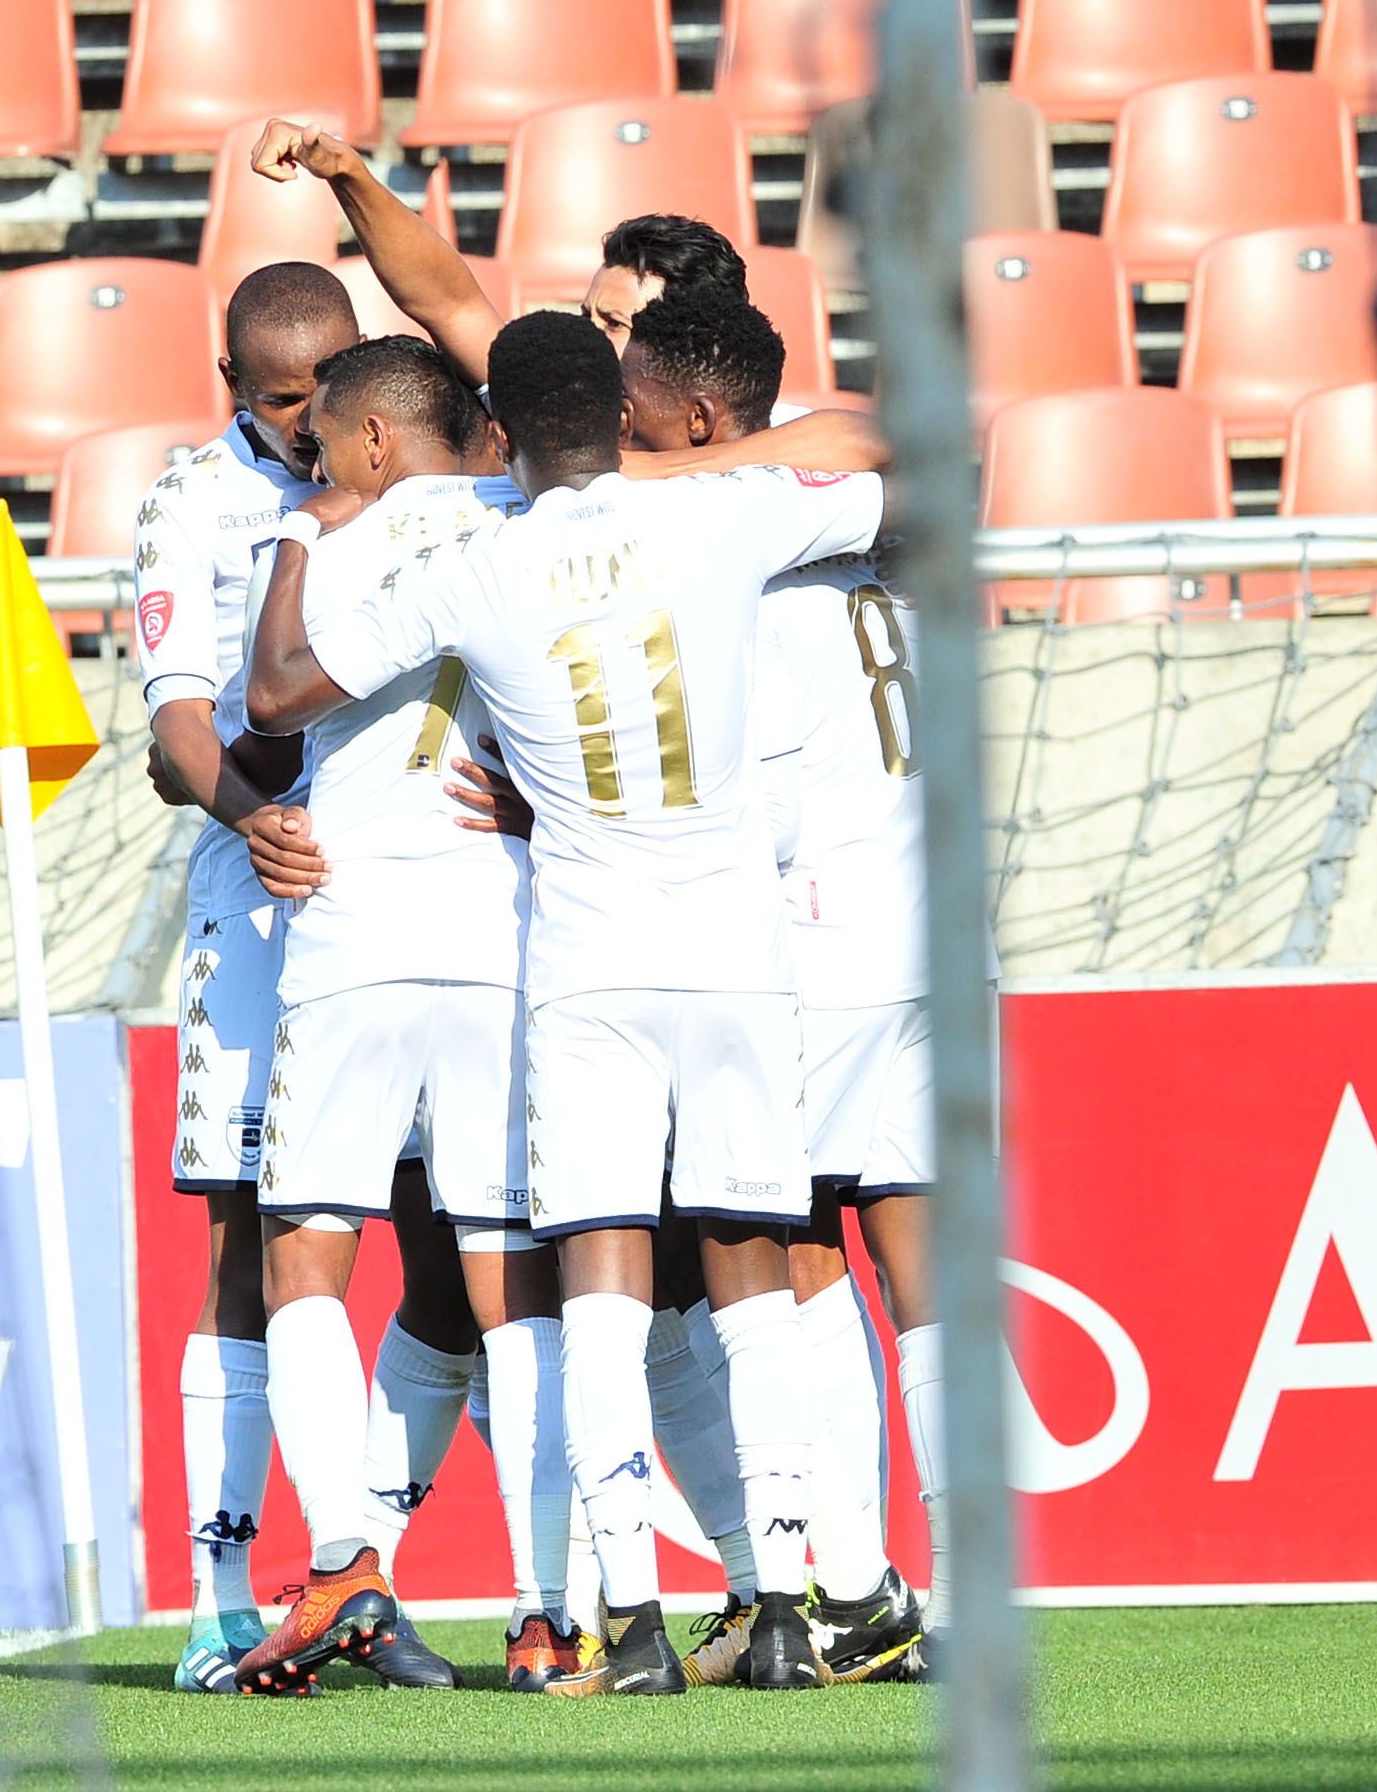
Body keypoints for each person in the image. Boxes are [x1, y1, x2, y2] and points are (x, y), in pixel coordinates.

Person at [248, 312, 887, 1696]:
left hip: (589, 970)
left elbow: (283, 690)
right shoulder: (723, 519)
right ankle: (781, 1605)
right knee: (750, 1277)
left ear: (506, 427)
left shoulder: (478, 569)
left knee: (596, 1284)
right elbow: (904, 472)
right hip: (737, 954)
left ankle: (632, 1628)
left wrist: (303, 536)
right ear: (617, 415)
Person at [224, 335, 592, 1695]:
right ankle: (550, 1613)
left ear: (377, 439)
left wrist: (298, 548)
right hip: (506, 939)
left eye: (323, 436)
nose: (310, 460)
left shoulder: (329, 534)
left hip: (358, 934)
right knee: (514, 1283)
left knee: (305, 1260)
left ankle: (341, 1565)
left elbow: (266, 717)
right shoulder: (542, 529)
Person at [135, 261, 468, 1696]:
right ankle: (222, 1595)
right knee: (247, 1244)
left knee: (453, 1257)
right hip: (266, 913)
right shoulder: (190, 503)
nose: (314, 416)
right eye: (284, 399)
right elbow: (171, 731)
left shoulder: (428, 480)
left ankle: (357, 1566)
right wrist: (244, 814)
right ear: (237, 393)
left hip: (428, 909)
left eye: (334, 386)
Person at [622, 286, 941, 1682]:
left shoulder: (732, 554)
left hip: (816, 945)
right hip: (924, 937)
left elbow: (722, 801)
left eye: (633, 400)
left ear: (699, 416)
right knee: (904, 1254)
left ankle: (829, 1582)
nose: (620, 428)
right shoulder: (859, 538)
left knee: (769, 1244)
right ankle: (927, 1589)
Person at [245, 119, 887, 479]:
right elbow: (448, 302)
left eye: (612, 323)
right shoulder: (549, 410)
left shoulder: (769, 449)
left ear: (691, 348)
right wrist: (350, 175)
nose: (583, 335)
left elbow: (868, 443)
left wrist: (646, 477)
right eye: (586, 314)